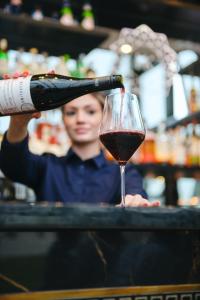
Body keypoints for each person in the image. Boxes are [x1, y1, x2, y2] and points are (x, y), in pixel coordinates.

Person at [0, 73, 160, 207]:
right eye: (71, 113)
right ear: (62, 119)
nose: (80, 119)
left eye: (90, 111)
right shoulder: (47, 166)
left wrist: (135, 202)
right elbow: (12, 164)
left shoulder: (123, 174)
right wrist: (19, 122)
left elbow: (135, 194)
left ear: (105, 116)